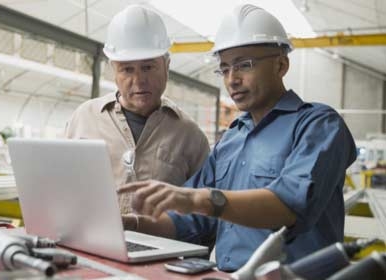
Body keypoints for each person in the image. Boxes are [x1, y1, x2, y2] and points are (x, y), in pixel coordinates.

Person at [119, 4, 357, 271]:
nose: (232, 79)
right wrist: (129, 224)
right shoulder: (231, 139)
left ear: (281, 65)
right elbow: (189, 222)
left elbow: (290, 206)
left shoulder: (319, 125)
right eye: (224, 69)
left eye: (244, 65)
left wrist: (199, 199)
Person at [65, 5, 210, 214]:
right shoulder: (84, 118)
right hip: (92, 242)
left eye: (148, 67)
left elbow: (202, 217)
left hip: (166, 246)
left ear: (166, 66)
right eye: (127, 69)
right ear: (114, 70)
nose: (139, 80)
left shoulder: (190, 136)